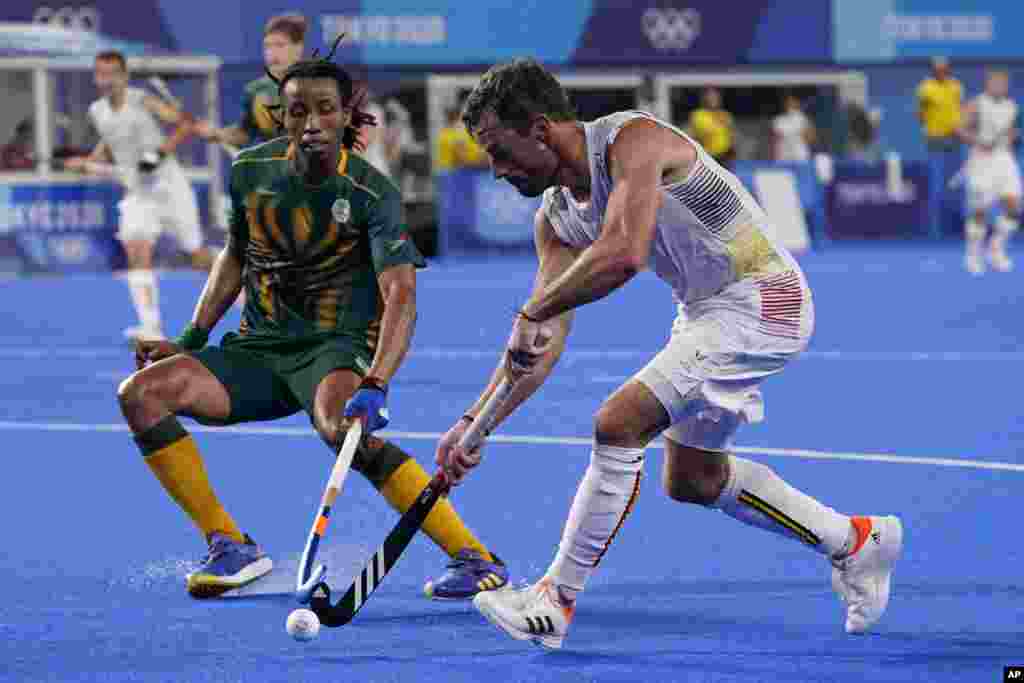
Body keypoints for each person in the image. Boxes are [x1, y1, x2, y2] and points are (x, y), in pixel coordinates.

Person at [434, 58, 903, 649]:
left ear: (541, 128)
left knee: (618, 422)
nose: (497, 170)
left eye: (501, 151)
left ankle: (555, 600)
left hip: (764, 296)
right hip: (705, 313)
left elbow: (623, 254)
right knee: (693, 480)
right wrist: (477, 423)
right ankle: (856, 541)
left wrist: (535, 313)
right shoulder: (555, 219)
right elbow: (542, 336)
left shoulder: (635, 141)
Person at [116, 38, 509, 600]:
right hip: (256, 349)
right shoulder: (251, 170)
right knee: (140, 394)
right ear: (283, 115)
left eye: (326, 108)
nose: (312, 121)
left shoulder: (372, 193)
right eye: (298, 109)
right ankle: (229, 544)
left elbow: (401, 295)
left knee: (344, 433)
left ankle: (473, 557)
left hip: (333, 349)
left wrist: (376, 380)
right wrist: (190, 339)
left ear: (347, 115)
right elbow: (234, 256)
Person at [64, 50, 213, 341]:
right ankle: (151, 327)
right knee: (136, 248)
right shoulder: (98, 111)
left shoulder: (143, 100)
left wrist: (157, 155)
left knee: (197, 255)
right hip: (138, 192)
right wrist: (88, 162)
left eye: (112, 74)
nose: (106, 80)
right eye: (101, 74)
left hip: (169, 186)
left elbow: (185, 125)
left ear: (124, 76)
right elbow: (112, 142)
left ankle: (239, 283)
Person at [194, 13, 307, 150]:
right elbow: (244, 134)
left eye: (280, 45)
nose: (272, 53)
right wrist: (217, 134)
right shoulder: (256, 90)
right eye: (268, 47)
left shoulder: (321, 84)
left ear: (298, 48)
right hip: (276, 169)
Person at [959, 69, 1020, 274]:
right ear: (987, 84)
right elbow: (960, 128)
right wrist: (978, 141)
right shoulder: (976, 104)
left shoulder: (1012, 107)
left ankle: (995, 249)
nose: (999, 86)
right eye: (995, 82)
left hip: (1004, 159)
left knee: (1014, 207)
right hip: (981, 161)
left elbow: (1012, 133)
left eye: (1003, 83)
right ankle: (973, 255)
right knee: (979, 211)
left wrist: (1012, 139)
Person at [687, 87, 735, 168]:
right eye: (710, 97)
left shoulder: (725, 115)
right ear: (704, 99)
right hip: (708, 158)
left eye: (715, 97)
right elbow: (693, 135)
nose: (713, 100)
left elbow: (731, 135)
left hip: (725, 158)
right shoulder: (698, 115)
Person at [435, 103, 487, 172]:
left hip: (453, 173)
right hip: (455, 175)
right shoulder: (455, 134)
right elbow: (462, 159)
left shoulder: (446, 133)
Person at [772, 93, 815, 162]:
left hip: (800, 153)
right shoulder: (778, 120)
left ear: (797, 103)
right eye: (788, 103)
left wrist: (806, 136)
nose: (790, 104)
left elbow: (811, 137)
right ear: (784, 105)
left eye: (793, 102)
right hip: (784, 153)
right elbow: (776, 139)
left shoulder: (803, 118)